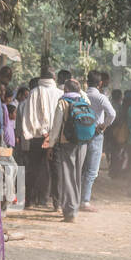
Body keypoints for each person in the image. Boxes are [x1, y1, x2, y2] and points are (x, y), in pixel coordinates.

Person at [43, 77, 91, 222]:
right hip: (83, 143)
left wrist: (50, 145)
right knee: (76, 176)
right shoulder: (84, 101)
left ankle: (70, 212)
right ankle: (74, 208)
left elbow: (56, 126)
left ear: (66, 90)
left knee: (68, 177)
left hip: (66, 143)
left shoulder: (63, 102)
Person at [18, 70, 62, 209]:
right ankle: (56, 203)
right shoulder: (60, 93)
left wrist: (40, 131)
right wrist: (50, 134)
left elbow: (28, 116)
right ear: (54, 78)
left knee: (34, 168)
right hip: (55, 138)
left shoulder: (34, 92)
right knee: (55, 170)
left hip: (37, 137)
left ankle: (29, 201)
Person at [81, 70, 117, 212]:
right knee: (92, 169)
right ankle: (85, 200)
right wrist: (104, 125)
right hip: (96, 134)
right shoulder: (101, 97)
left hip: (81, 134)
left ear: (87, 81)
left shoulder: (81, 96)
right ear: (100, 83)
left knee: (82, 167)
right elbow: (112, 114)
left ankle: (80, 197)